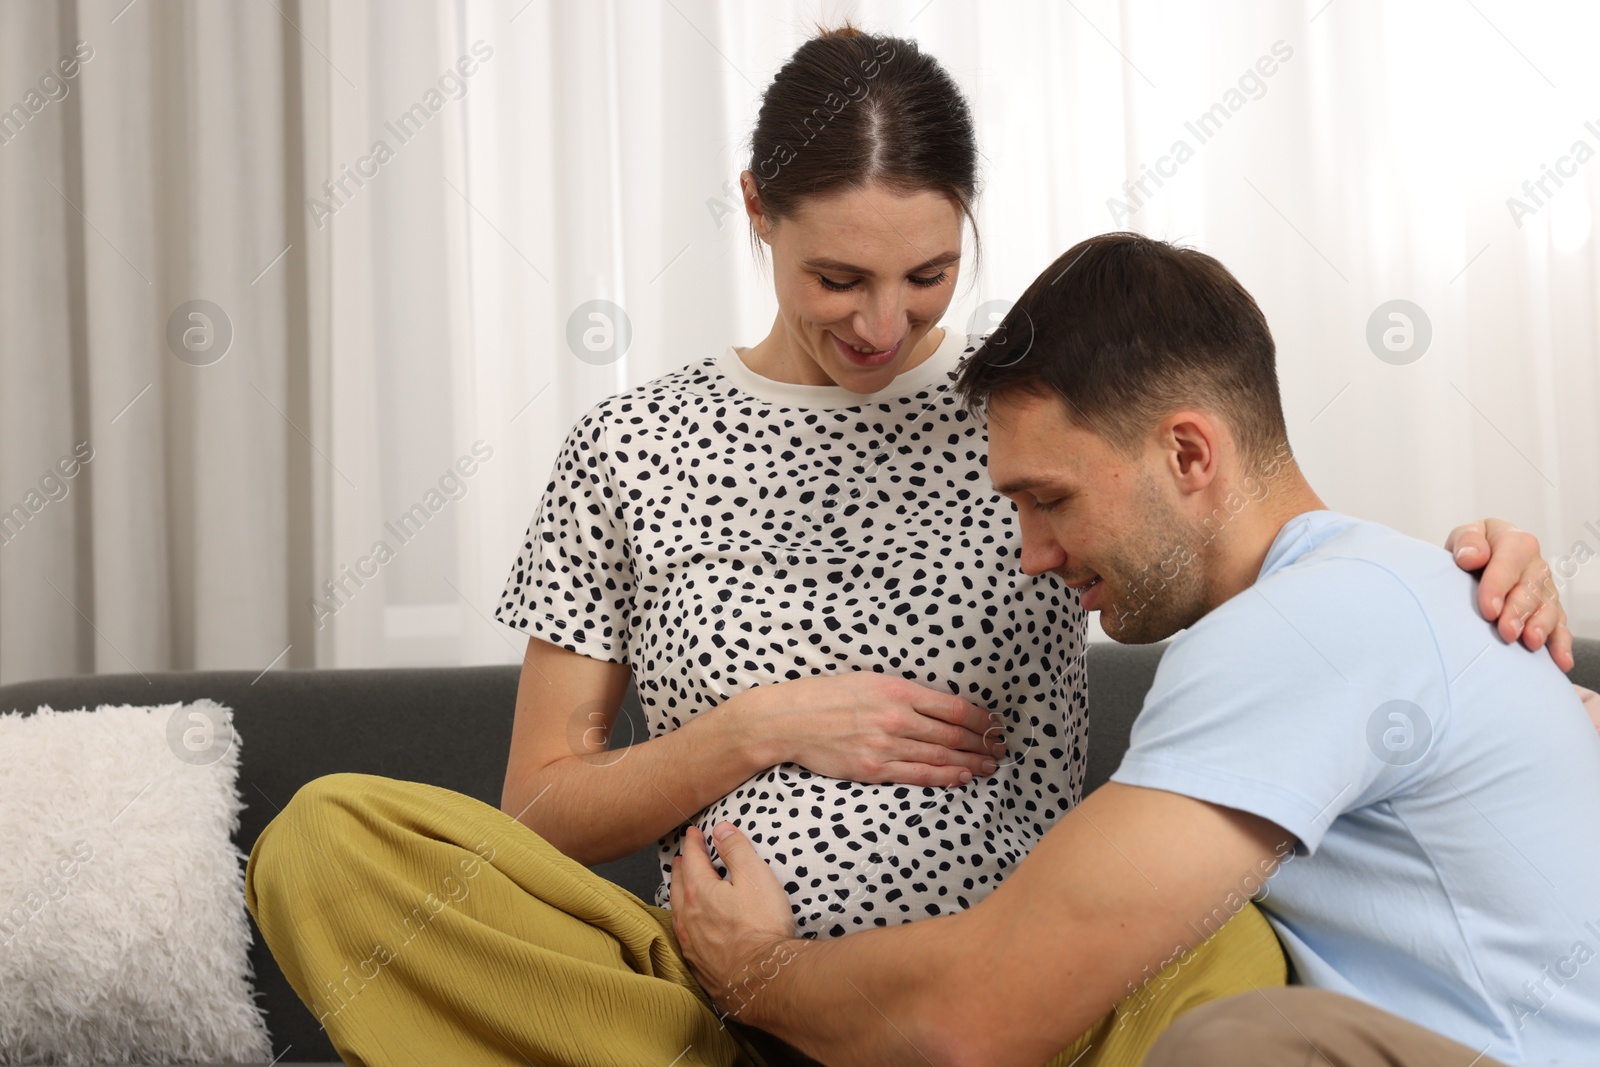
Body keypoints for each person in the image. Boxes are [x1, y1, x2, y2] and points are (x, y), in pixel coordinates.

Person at [244, 28, 1575, 1067]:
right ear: (757, 207)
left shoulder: (1033, 402)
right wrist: (748, 731)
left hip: (1022, 998)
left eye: (927, 273)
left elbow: (1247, 508)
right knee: (329, 839)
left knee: (1222, 948)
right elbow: (536, 806)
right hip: (708, 982)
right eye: (839, 279)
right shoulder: (627, 446)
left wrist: (1488, 588)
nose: (884, 323)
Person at [667, 232, 1600, 1067]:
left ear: (1190, 456)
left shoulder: (1302, 629)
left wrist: (757, 967)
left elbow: (973, 1018)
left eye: (1051, 498)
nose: (1031, 555)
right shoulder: (1383, 591)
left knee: (1241, 1043)